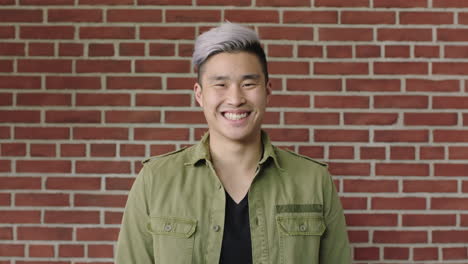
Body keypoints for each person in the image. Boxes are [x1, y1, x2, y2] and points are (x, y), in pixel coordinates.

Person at [115, 22, 351, 264]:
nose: (236, 99)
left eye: (248, 84)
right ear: (199, 94)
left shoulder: (314, 180)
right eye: (220, 84)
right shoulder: (156, 179)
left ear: (268, 91)